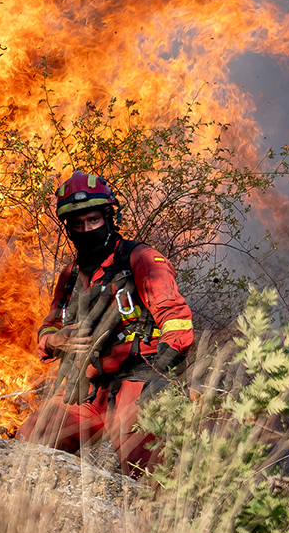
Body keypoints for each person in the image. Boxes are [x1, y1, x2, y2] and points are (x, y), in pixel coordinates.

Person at [15, 171, 194, 477]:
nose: (87, 229)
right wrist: (57, 341)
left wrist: (162, 375)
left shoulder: (142, 259)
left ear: (110, 218)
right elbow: (48, 327)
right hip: (88, 388)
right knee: (29, 443)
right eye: (78, 224)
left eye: (94, 220)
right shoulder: (71, 275)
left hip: (139, 382)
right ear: (68, 228)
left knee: (147, 474)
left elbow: (176, 318)